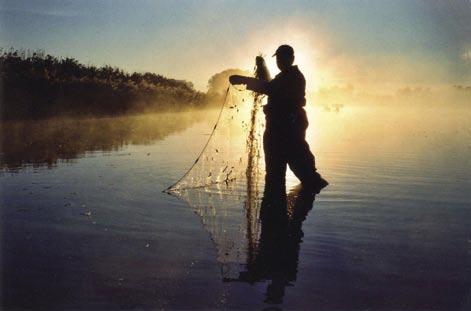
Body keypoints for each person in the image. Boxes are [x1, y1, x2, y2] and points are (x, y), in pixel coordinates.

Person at [229, 44, 328, 194]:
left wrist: (245, 80)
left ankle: (293, 211)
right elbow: (271, 86)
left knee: (306, 174)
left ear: (292, 58)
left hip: (288, 130)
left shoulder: (293, 77)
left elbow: (270, 88)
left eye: (283, 58)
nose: (279, 61)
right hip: (278, 130)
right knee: (276, 177)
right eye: (278, 58)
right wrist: (261, 68)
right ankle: (278, 213)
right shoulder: (283, 77)